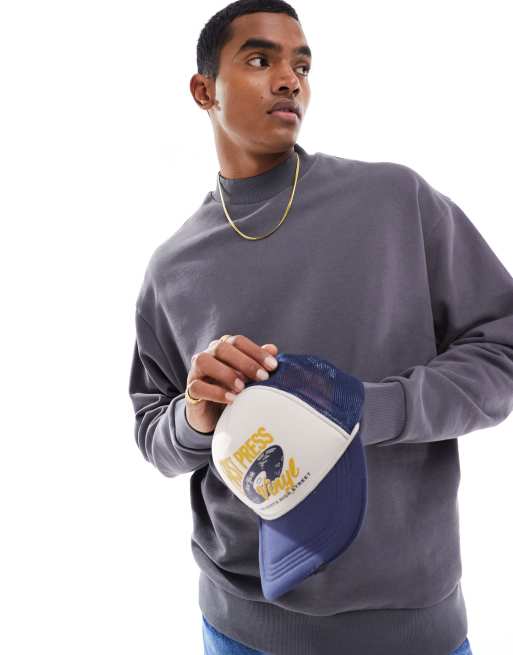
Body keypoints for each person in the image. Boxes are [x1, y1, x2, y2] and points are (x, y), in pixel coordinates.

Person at [128, 1, 513, 653]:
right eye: (260, 59)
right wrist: (196, 418)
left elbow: (501, 349)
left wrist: (359, 409)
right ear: (203, 90)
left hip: (411, 628)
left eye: (301, 65)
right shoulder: (173, 267)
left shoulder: (394, 200)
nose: (289, 79)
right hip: (239, 627)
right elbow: (152, 433)